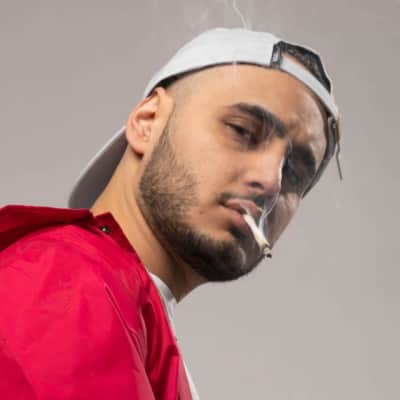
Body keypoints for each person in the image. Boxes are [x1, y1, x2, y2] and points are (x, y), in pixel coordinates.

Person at [0, 28, 341, 399]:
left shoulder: (125, 307)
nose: (271, 182)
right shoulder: (69, 282)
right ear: (148, 122)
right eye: (242, 131)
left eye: (295, 172)